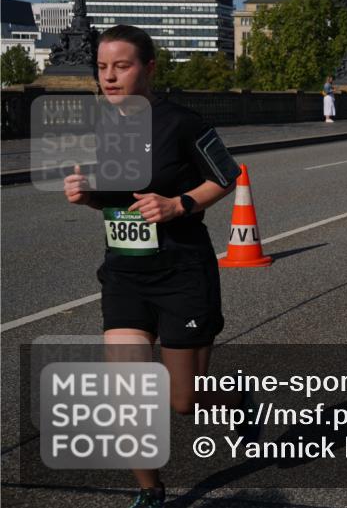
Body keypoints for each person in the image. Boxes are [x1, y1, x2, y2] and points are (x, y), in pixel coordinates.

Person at [62, 25, 249, 508]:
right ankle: (150, 491)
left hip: (183, 272)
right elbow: (111, 201)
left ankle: (236, 402)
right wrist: (84, 197)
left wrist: (179, 204)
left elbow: (226, 176)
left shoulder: (182, 123)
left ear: (148, 68)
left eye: (121, 66)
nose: (109, 77)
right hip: (124, 275)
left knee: (183, 401)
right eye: (102, 67)